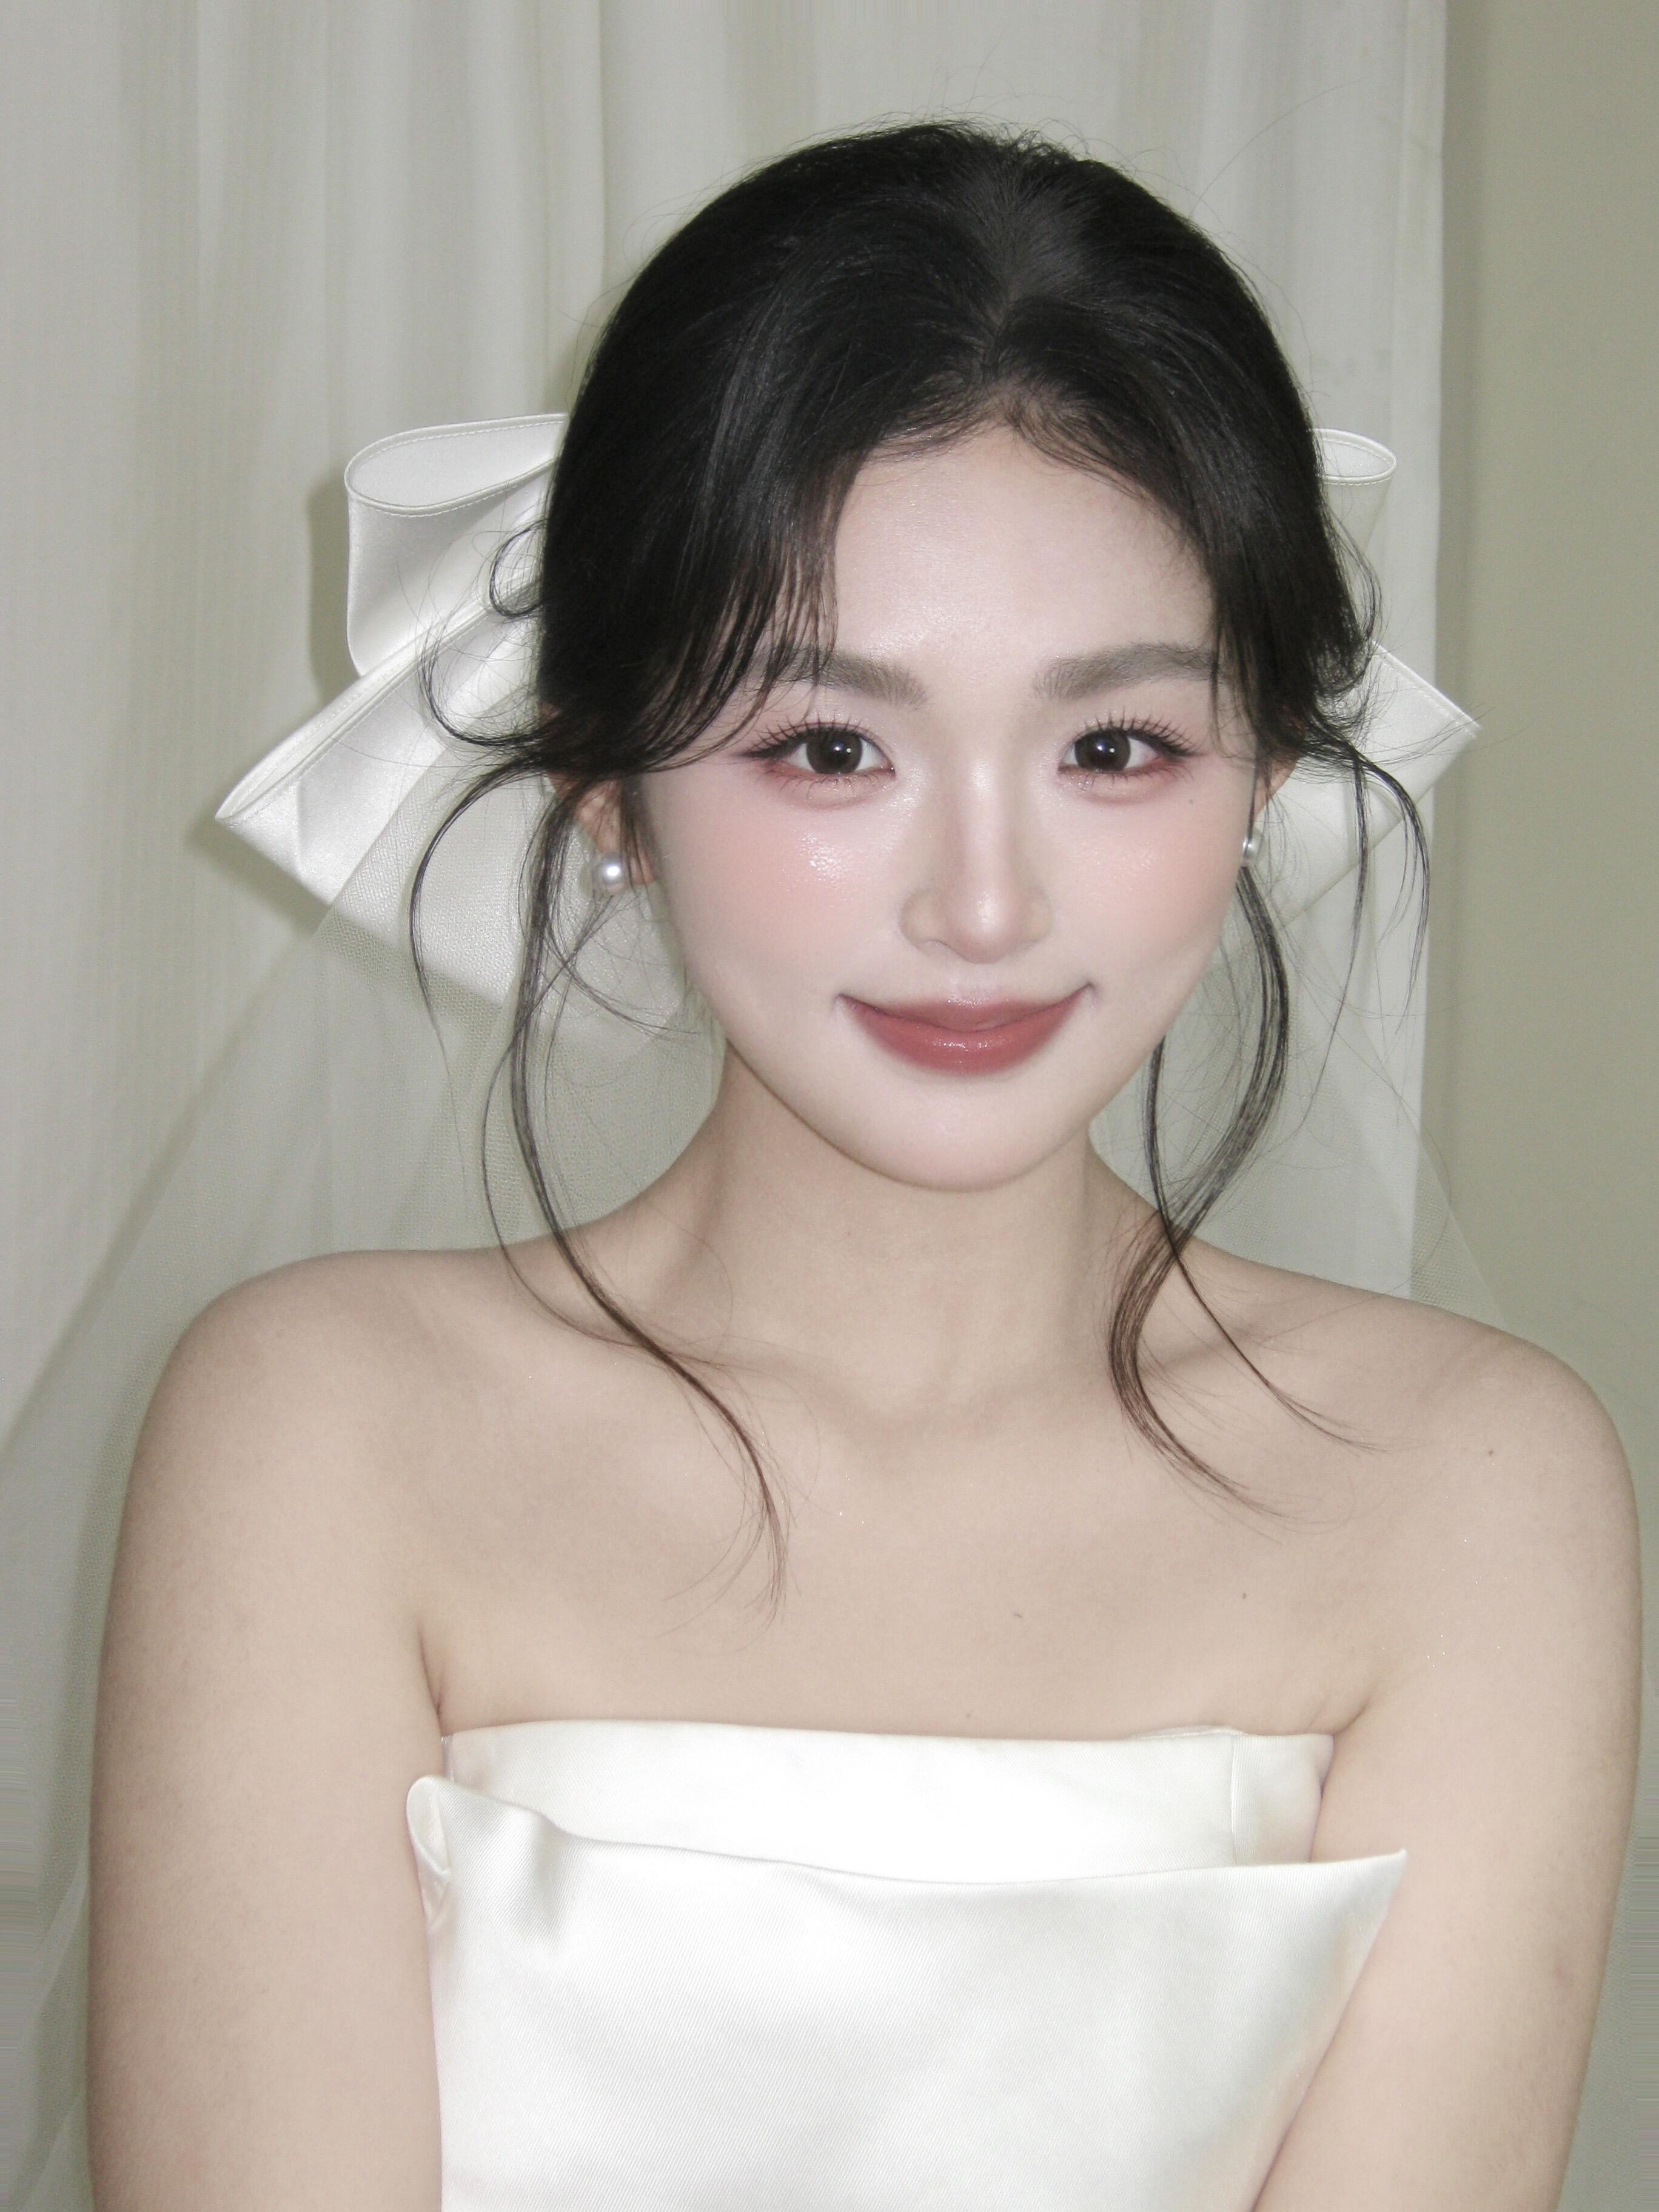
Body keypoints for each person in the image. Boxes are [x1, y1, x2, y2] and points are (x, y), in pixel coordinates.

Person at [84, 121, 1639, 2211]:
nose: (981, 905)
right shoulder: (322, 1432)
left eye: (1115, 747)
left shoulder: (1473, 1490)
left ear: (1268, 772)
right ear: (607, 786)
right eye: (830, 747)